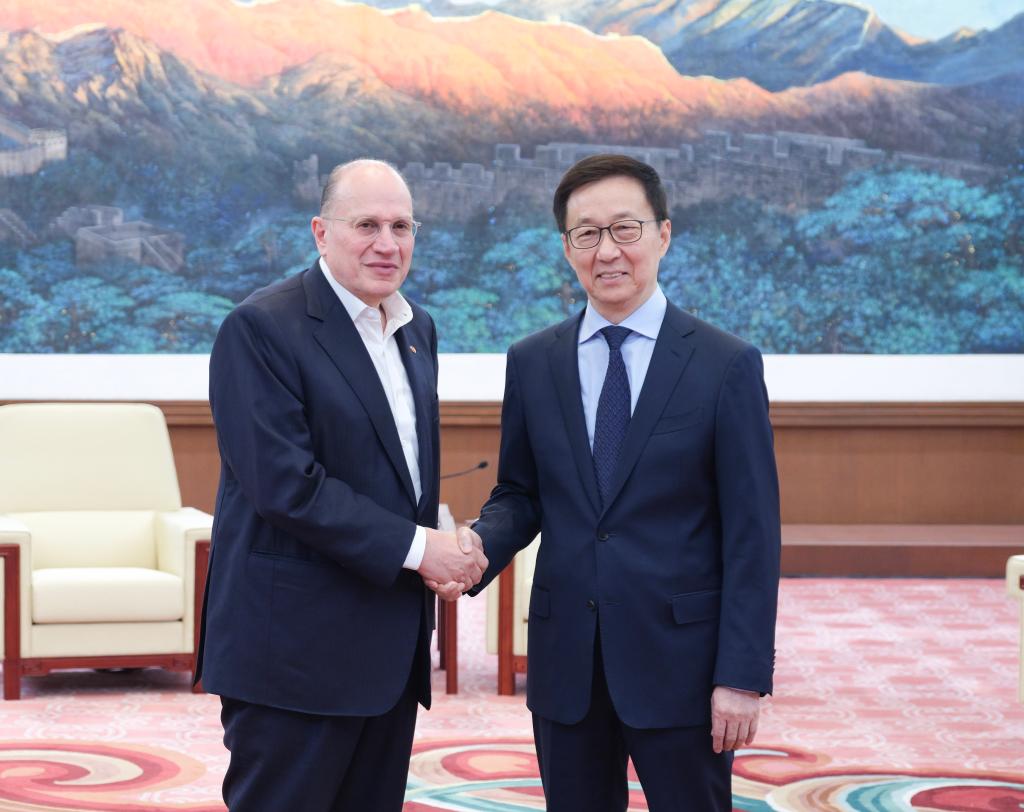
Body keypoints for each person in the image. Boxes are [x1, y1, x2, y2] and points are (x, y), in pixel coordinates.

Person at [460, 154, 781, 811]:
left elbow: (753, 534)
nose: (606, 251)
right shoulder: (533, 361)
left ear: (663, 234)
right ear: (566, 247)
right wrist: (474, 550)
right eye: (587, 233)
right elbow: (521, 494)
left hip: (683, 665)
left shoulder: (725, 365)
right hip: (567, 662)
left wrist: (742, 676)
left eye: (624, 229)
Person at [195, 159, 487, 812]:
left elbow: (397, 475)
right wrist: (423, 549)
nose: (388, 243)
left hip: (388, 657)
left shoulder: (417, 329)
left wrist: (440, 544)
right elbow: (286, 486)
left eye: (402, 227)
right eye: (367, 225)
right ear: (321, 232)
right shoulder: (261, 328)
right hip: (292, 659)